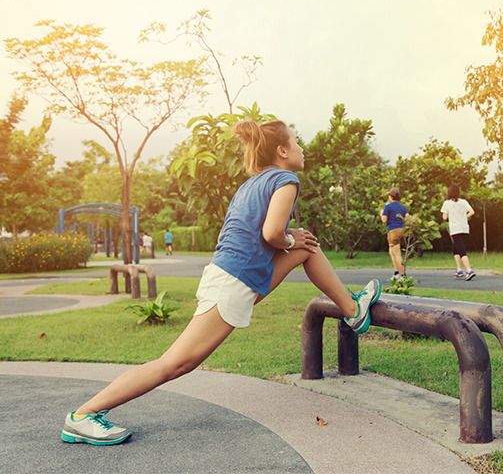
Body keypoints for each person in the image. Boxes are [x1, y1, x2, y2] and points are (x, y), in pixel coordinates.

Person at [60, 119, 382, 446]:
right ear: (283, 151)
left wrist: (293, 243)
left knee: (306, 249)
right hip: (233, 281)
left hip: (234, 277)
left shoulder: (251, 184)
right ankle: (84, 415)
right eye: (297, 143)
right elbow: (271, 234)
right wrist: (288, 239)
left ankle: (352, 310)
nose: (303, 149)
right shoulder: (287, 179)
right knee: (174, 364)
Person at [440, 184, 476, 281]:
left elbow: (444, 217)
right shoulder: (464, 202)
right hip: (464, 228)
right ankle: (459, 270)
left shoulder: (447, 203)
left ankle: (469, 270)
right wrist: (466, 217)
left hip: (455, 229)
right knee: (455, 249)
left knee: (461, 250)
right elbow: (472, 212)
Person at [381, 187, 408, 281]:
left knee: (396, 253)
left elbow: (384, 220)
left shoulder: (387, 207)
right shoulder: (403, 207)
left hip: (393, 229)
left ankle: (402, 275)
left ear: (391, 197)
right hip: (401, 229)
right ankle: (396, 272)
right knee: (391, 251)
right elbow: (407, 218)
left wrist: (381, 214)